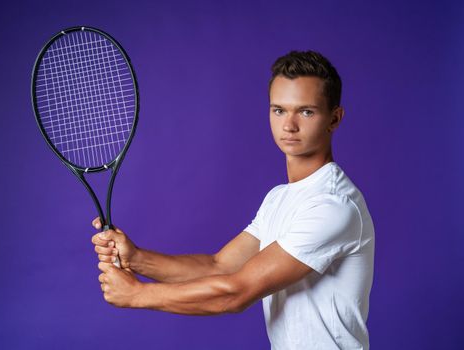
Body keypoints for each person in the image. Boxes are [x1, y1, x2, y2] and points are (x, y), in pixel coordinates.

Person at [91, 50, 375, 350]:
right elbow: (220, 266)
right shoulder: (279, 198)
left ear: (334, 118)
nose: (289, 126)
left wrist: (137, 295)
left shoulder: (334, 204)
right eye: (279, 110)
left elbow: (235, 293)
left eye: (306, 112)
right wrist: (136, 258)